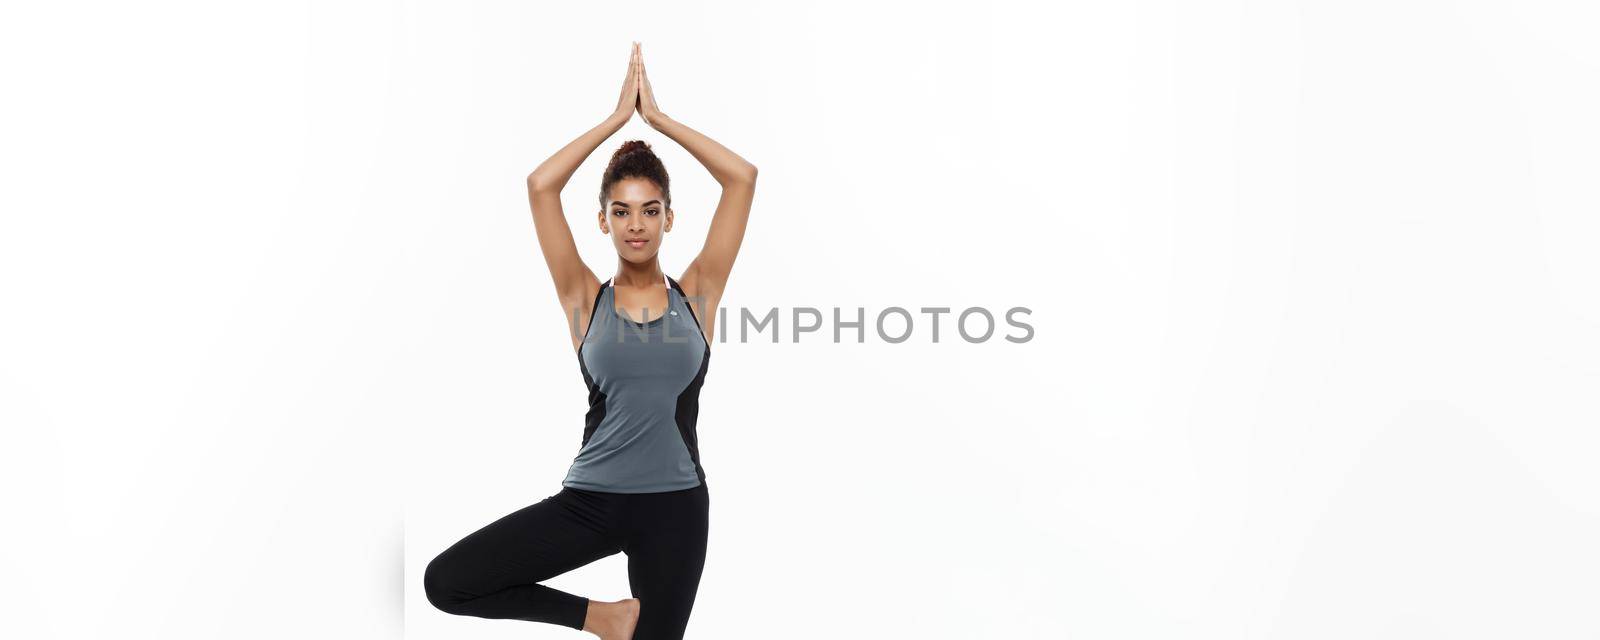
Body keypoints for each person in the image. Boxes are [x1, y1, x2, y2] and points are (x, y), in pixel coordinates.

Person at [422, 42, 756, 640]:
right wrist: (613, 122)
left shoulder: (698, 294)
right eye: (622, 211)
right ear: (603, 219)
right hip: (590, 501)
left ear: (668, 219)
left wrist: (658, 121)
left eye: (650, 211)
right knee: (446, 582)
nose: (636, 225)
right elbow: (540, 186)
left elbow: (742, 179)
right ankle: (603, 619)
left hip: (677, 510)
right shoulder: (584, 298)